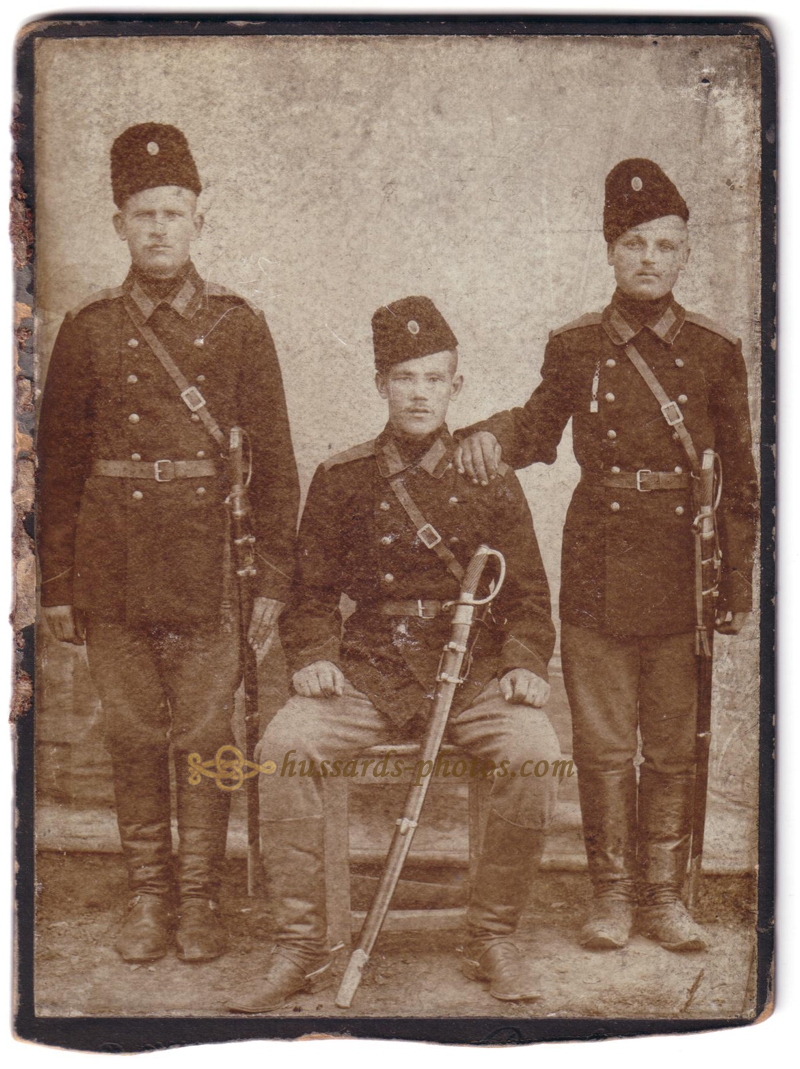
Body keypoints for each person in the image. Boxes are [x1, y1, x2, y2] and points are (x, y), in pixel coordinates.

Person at [455, 159, 758, 953]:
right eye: (634, 244)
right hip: (598, 563)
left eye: (665, 244)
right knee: (603, 744)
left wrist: (737, 583)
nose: (649, 259)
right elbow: (537, 428)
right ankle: (611, 895)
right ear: (610, 250)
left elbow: (741, 480)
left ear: (685, 254)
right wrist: (482, 434)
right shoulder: (576, 345)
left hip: (684, 571)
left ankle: (663, 896)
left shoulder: (716, 350)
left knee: (671, 745)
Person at [228, 295, 561, 1012]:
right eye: (404, 377)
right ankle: (301, 944)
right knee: (284, 746)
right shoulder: (343, 477)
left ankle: (491, 935)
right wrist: (312, 654)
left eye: (434, 379)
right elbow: (311, 593)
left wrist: (525, 664)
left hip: (470, 672)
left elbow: (530, 596)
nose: (418, 393)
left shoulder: (491, 475)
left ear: (456, 386)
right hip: (372, 668)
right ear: (381, 383)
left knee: (534, 751)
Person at [37, 123, 300, 964]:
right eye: (143, 213)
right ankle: (149, 896)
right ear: (119, 223)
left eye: (173, 212)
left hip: (208, 568)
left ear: (198, 220)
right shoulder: (88, 328)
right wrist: (55, 585)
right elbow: (59, 469)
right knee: (131, 732)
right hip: (111, 566)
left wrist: (273, 580)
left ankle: (200, 898)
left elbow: (277, 464)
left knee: (206, 737)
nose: (158, 228)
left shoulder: (238, 325)